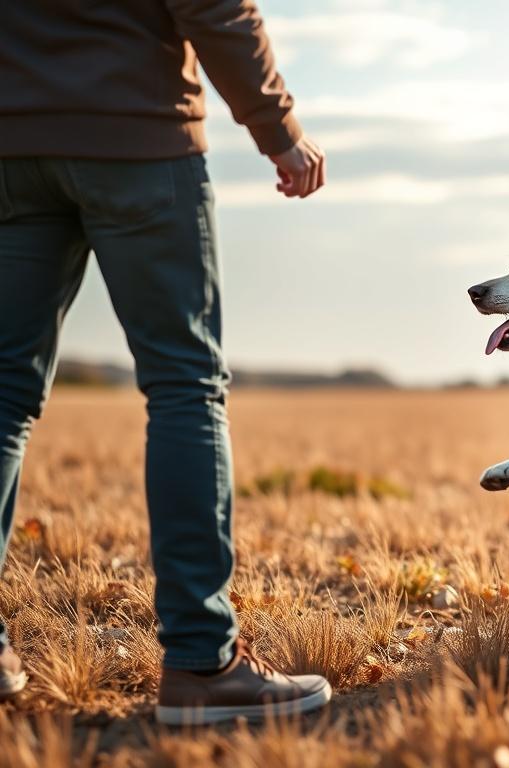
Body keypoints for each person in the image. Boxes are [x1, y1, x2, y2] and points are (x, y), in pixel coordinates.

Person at [0, 0, 330, 724]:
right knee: (186, 387)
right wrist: (281, 132)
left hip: (12, 146)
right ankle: (203, 664)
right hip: (139, 139)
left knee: (1, 398)